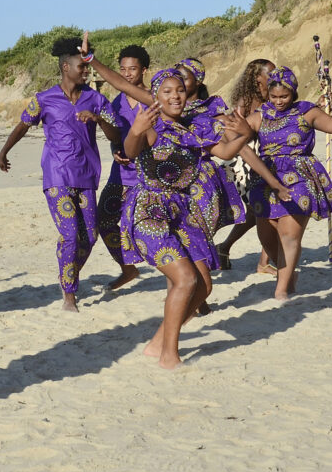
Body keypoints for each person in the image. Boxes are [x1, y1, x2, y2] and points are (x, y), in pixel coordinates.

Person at [79, 39, 284, 368]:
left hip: (184, 210)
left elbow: (226, 152)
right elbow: (130, 151)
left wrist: (245, 133)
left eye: (180, 90)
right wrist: (94, 65)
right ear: (156, 96)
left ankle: (158, 342)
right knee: (185, 279)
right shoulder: (150, 123)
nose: (175, 95)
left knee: (203, 287)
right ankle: (169, 356)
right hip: (149, 211)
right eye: (168, 91)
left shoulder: (195, 125)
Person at [0, 37, 120, 312]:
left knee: (89, 236)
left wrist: (98, 119)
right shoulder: (44, 98)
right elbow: (23, 125)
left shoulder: (96, 99)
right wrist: (4, 151)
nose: (86, 71)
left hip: (87, 175)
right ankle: (69, 295)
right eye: (82, 67)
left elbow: (116, 133)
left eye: (88, 67)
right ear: (66, 67)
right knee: (69, 233)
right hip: (57, 175)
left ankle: (67, 272)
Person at [243, 66, 332, 300]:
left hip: (300, 176)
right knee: (267, 237)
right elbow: (238, 137)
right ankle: (288, 275)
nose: (279, 101)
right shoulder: (260, 115)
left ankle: (282, 290)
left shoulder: (307, 112)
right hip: (266, 178)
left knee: (289, 235)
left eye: (284, 96)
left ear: (293, 93)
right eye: (274, 97)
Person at [176, 57, 247, 246]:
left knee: (197, 240)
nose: (178, 81)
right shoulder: (169, 109)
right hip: (174, 180)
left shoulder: (212, 112)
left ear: (198, 81)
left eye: (184, 77)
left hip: (202, 181)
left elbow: (237, 146)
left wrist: (271, 180)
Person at [216, 59, 277, 274]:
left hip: (269, 153)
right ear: (256, 77)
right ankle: (226, 248)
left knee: (267, 208)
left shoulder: (274, 95)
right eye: (269, 73)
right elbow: (237, 131)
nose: (273, 75)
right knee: (259, 210)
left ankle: (261, 260)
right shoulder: (247, 100)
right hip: (247, 158)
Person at [97, 44, 150, 290]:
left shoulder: (153, 100)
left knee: (147, 229)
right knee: (104, 221)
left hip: (147, 177)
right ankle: (128, 269)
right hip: (120, 175)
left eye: (133, 69)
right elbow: (115, 136)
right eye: (123, 69)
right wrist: (114, 152)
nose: (127, 73)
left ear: (144, 70)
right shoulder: (116, 102)